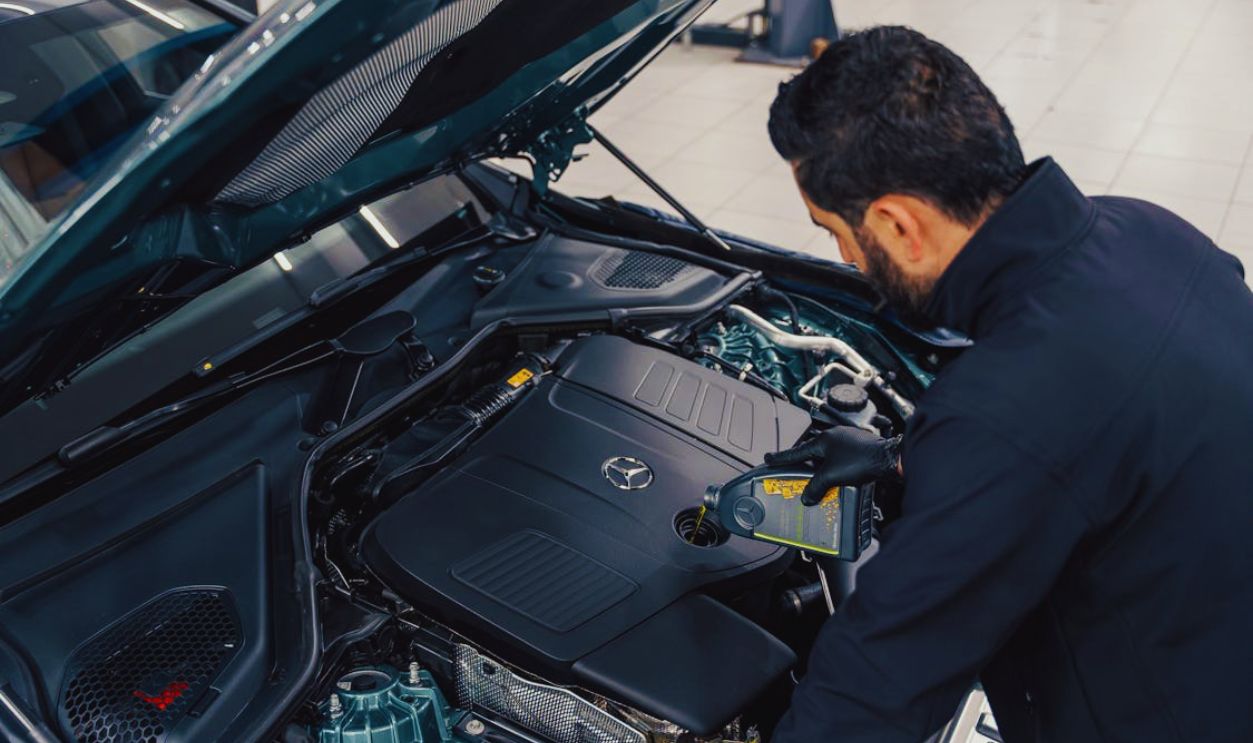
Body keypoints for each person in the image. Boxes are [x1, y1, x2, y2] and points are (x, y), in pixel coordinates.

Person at [764, 26, 1253, 743]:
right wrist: (905, 460)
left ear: (897, 225)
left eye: (831, 229)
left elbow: (873, 691)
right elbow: (1120, 443)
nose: (840, 256)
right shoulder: (1151, 231)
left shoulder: (1004, 417)